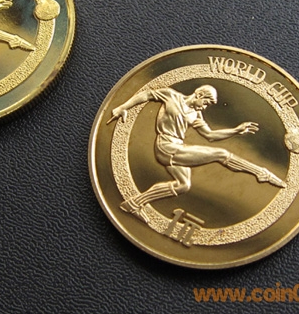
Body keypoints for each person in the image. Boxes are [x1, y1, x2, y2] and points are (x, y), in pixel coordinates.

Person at [109, 85, 286, 223]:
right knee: (221, 154)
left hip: (177, 147)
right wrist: (123, 107)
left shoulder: (196, 115)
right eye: (207, 102)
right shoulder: (171, 96)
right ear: (199, 94)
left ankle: (133, 203)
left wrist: (236, 131)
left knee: (183, 185)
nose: (206, 107)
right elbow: (147, 94)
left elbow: (210, 135)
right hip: (166, 146)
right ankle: (261, 173)